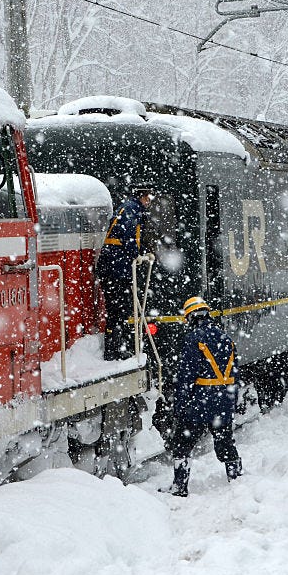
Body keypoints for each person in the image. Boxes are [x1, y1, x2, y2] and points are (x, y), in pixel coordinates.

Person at [162, 296, 242, 497]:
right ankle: (237, 478)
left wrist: (180, 406)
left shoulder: (193, 339)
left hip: (201, 401)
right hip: (223, 399)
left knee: (182, 444)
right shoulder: (226, 338)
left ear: (190, 317)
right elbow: (235, 374)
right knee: (224, 442)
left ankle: (180, 487)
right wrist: (232, 401)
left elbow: (186, 377)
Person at [95, 187, 154, 360]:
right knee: (118, 309)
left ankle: (114, 347)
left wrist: (141, 251)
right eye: (147, 197)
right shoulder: (132, 210)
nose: (149, 201)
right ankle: (113, 350)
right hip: (116, 268)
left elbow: (131, 237)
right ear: (142, 197)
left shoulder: (127, 208)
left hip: (112, 266)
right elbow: (129, 237)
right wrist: (137, 255)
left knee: (117, 309)